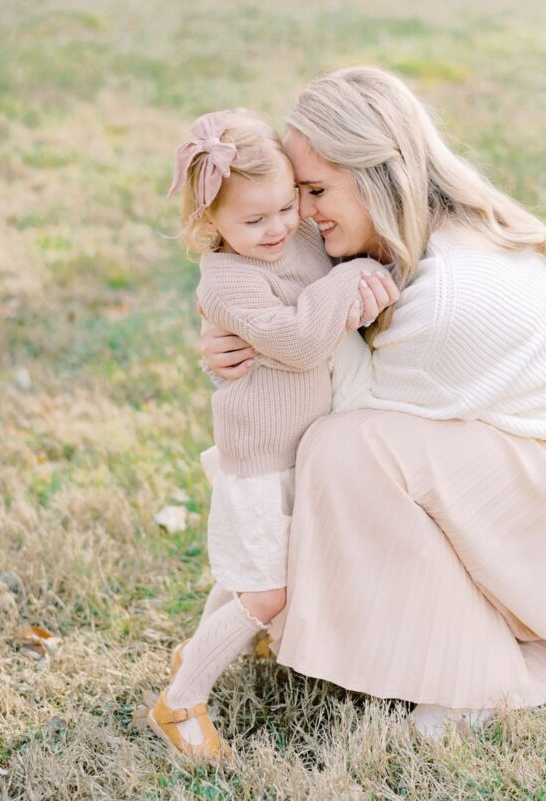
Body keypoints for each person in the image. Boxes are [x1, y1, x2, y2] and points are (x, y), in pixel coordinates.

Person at [200, 67, 546, 738]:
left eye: (317, 191)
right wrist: (239, 330)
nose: (304, 218)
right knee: (351, 450)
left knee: (345, 453)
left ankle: (475, 674)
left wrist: (266, 342)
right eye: (298, 194)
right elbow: (293, 312)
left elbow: (327, 411)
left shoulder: (446, 293)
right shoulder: (411, 236)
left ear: (379, 176)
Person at [150, 108, 394, 760]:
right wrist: (347, 282)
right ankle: (180, 703)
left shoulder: (302, 240)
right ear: (211, 225)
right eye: (254, 221)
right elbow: (300, 342)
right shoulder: (227, 279)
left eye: (287, 207)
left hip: (303, 451)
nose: (280, 228)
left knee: (245, 577)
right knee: (267, 589)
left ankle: (197, 654)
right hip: (260, 458)